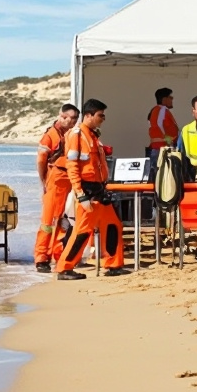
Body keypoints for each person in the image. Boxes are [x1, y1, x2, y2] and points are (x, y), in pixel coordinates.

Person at [54, 99, 127, 280]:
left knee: (113, 226)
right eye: (100, 115)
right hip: (87, 191)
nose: (103, 118)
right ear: (89, 115)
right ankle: (64, 268)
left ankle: (113, 264)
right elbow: (72, 166)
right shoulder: (77, 135)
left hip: (99, 191)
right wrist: (80, 194)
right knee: (82, 231)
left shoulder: (93, 135)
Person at [34, 104, 80, 273]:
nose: (73, 122)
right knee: (49, 221)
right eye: (71, 118)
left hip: (70, 177)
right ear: (61, 116)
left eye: (75, 119)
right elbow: (41, 161)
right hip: (56, 177)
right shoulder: (50, 135)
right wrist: (44, 183)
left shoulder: (71, 133)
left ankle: (58, 253)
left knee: (63, 220)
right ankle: (41, 257)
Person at [146, 88, 178, 167]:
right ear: (164, 99)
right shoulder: (162, 109)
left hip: (157, 148)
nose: (172, 100)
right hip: (162, 148)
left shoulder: (154, 110)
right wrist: (167, 138)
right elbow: (159, 123)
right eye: (170, 98)